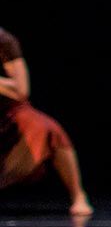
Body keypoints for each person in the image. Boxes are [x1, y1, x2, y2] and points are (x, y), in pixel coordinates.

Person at [0, 27, 92, 216]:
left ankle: (78, 195)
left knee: (47, 128)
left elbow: (21, 90)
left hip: (9, 112)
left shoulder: (4, 40)